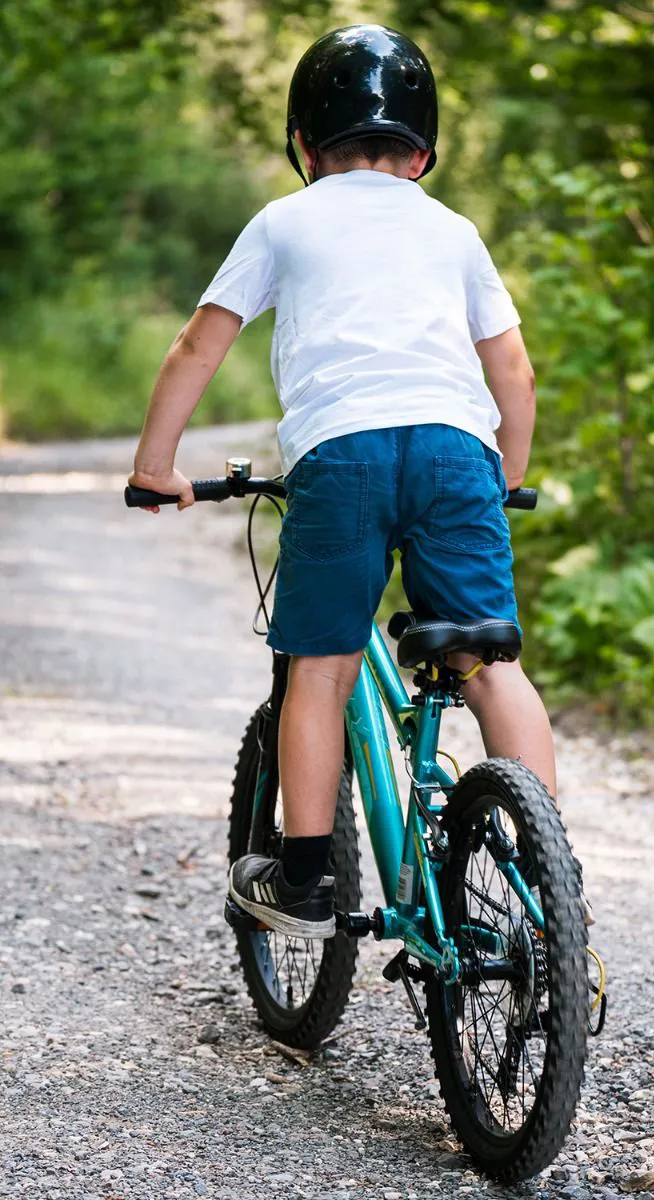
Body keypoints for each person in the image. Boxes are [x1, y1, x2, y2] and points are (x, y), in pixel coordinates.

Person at [129, 24, 577, 939]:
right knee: (487, 663)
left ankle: (302, 882)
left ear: (303, 143)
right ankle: (548, 880)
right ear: (425, 150)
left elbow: (199, 344)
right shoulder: (453, 229)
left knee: (321, 668)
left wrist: (156, 468)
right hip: (461, 453)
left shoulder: (285, 220)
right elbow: (515, 374)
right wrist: (509, 476)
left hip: (343, 455)